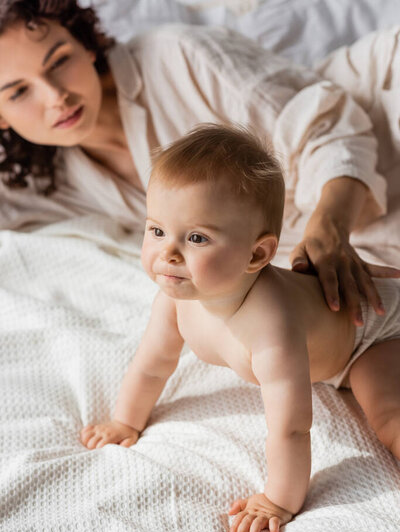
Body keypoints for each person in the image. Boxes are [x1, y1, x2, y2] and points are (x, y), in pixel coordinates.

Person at [80, 124, 400, 532]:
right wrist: (125, 421)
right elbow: (151, 366)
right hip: (340, 344)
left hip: (375, 333)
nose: (168, 252)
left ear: (257, 254)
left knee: (387, 414)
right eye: (156, 230)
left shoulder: (271, 322)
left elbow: (291, 425)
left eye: (196, 238)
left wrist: (279, 500)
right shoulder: (176, 301)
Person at [0, 1, 398, 325]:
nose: (56, 96)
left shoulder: (175, 55)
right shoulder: (49, 179)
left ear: (84, 45)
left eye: (59, 61)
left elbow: (328, 129)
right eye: (18, 92)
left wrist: (329, 225)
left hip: (383, 118)